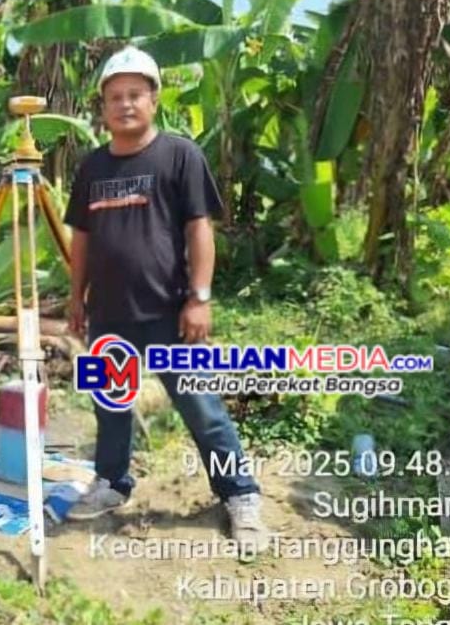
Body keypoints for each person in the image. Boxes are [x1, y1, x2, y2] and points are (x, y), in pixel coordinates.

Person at [63, 46, 268, 549]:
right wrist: (75, 296)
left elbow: (200, 229)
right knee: (111, 405)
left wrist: (199, 298)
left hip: (170, 312)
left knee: (201, 408)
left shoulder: (180, 155)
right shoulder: (92, 167)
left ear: (154, 100)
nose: (125, 104)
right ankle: (111, 482)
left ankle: (240, 495)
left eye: (135, 94)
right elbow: (82, 238)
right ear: (103, 106)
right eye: (115, 96)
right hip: (109, 314)